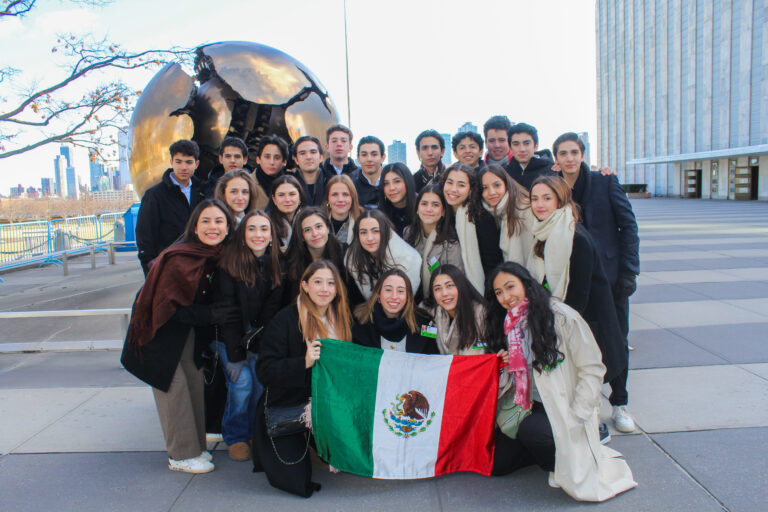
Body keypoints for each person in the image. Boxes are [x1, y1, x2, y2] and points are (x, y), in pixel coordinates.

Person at [485, 262, 636, 502]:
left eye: (510, 287)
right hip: (527, 404)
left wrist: (580, 413)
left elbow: (592, 368)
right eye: (499, 293)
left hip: (563, 405)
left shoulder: (562, 317)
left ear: (526, 283)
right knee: (496, 465)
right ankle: (544, 448)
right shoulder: (509, 323)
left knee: (532, 432)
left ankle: (561, 454)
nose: (505, 296)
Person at [121, 198, 237, 474]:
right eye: (205, 221)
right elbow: (168, 309)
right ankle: (180, 455)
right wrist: (211, 315)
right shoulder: (179, 258)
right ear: (194, 227)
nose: (213, 227)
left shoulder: (210, 255)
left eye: (219, 221)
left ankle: (195, 447)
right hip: (157, 335)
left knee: (193, 382)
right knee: (174, 389)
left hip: (183, 335)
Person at [553, 132, 640, 433]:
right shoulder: (554, 188)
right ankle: (589, 403)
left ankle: (620, 402)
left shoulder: (605, 182)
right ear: (556, 159)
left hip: (612, 277)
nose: (569, 158)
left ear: (583, 154)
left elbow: (628, 226)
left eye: (574, 152)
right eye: (563, 153)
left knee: (617, 339)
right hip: (574, 279)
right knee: (580, 342)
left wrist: (630, 271)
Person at [526, 176, 628, 427]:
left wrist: (553, 327)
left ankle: (594, 428)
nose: (539, 205)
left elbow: (579, 295)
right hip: (564, 317)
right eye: (535, 199)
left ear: (561, 200)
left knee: (584, 380)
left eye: (547, 198)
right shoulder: (544, 231)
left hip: (586, 323)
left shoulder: (575, 237)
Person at [255, 260, 353, 498]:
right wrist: (303, 362)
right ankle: (308, 444)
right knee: (296, 481)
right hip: (288, 404)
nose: (324, 289)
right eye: (317, 282)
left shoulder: (342, 319)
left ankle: (322, 444)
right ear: (305, 286)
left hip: (327, 403)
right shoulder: (285, 320)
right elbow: (264, 370)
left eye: (331, 283)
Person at [212, 210, 284, 462]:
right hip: (228, 338)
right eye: (251, 229)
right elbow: (228, 314)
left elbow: (271, 312)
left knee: (259, 382)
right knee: (241, 383)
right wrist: (235, 355)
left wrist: (260, 349)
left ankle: (255, 432)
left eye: (264, 229)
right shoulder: (229, 265)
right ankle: (235, 435)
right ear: (242, 236)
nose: (258, 234)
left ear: (272, 236)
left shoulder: (276, 265)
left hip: (258, 339)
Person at [136, 139, 206, 276]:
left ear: (196, 164)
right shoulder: (154, 195)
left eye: (188, 162)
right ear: (171, 162)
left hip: (200, 264)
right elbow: (145, 236)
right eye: (178, 162)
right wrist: (151, 266)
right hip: (168, 267)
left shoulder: (204, 191)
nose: (183, 167)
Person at [439, 163, 503, 293]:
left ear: (471, 189)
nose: (453, 189)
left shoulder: (481, 218)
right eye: (450, 182)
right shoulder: (444, 214)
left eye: (461, 185)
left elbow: (492, 264)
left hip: (483, 291)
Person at [344, 209, 421, 308]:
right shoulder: (353, 258)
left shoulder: (406, 257)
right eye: (363, 232)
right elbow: (368, 298)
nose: (370, 238)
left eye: (376, 231)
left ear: (385, 232)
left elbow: (404, 299)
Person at [352, 269, 438, 354]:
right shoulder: (360, 322)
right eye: (388, 290)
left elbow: (436, 356)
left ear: (408, 296)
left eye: (400, 291)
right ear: (378, 294)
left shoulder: (425, 323)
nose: (394, 296)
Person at [404, 183, 463, 300]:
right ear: (417, 209)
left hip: (440, 300)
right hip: (411, 297)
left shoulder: (452, 242)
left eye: (435, 205)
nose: (428, 209)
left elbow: (456, 282)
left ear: (443, 211)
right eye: (424, 204)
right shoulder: (408, 233)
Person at [424, 264, 487, 355]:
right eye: (438, 289)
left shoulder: (480, 312)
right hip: (446, 367)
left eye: (449, 286)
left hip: (475, 365)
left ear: (460, 286)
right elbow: (427, 337)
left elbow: (486, 346)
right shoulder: (432, 313)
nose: (444, 293)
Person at [285, 207, 345, 302]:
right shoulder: (290, 261)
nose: (315, 233)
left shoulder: (343, 254)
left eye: (319, 226)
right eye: (307, 230)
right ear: (302, 236)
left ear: (328, 228)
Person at [478, 164, 535, 265]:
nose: (491, 192)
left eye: (497, 185)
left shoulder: (524, 208)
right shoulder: (488, 212)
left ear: (506, 184)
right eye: (485, 188)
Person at [505, 123, 556, 190]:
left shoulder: (551, 171)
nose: (522, 149)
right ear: (510, 148)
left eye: (526, 143)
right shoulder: (505, 174)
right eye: (516, 144)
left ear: (536, 146)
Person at [267, 174, 306, 250]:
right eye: (281, 195)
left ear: (300, 196)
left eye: (292, 194)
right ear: (274, 199)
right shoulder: (266, 223)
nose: (287, 199)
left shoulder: (309, 220)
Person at [378, 162, 417, 236]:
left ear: (408, 182)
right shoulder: (380, 214)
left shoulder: (422, 207)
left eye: (397, 181)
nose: (391, 188)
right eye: (386, 183)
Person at [323, 174, 363, 246]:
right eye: (334, 194)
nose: (340, 199)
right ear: (327, 199)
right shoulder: (318, 221)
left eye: (345, 194)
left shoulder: (364, 221)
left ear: (352, 197)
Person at [289, 135, 327, 206]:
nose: (308, 157)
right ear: (296, 160)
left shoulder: (331, 182)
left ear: (321, 157)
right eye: (302, 153)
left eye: (313, 152)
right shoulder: (288, 184)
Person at [351, 135, 385, 208]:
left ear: (383, 157)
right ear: (358, 158)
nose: (369, 159)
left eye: (374, 154)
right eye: (364, 155)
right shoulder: (351, 188)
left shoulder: (392, 186)